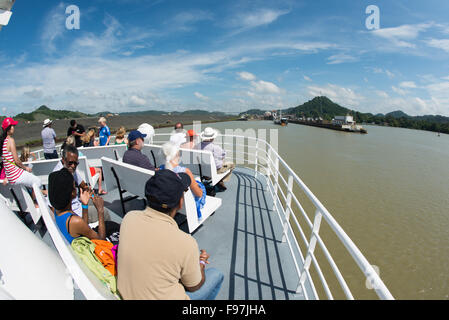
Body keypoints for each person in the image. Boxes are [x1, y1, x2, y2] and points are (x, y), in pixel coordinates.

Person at [117, 169, 224, 300]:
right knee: (216, 274)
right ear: (180, 203)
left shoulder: (129, 218)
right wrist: (201, 262)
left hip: (127, 295)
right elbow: (194, 286)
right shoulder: (185, 242)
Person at [53, 144, 111, 223]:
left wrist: (93, 195)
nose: (73, 166)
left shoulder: (69, 168)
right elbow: (55, 206)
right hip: (76, 213)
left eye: (76, 163)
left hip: (78, 203)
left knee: (99, 201)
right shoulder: (58, 176)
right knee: (105, 212)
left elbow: (83, 184)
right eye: (70, 163)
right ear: (63, 160)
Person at [48, 168, 107, 244]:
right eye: (74, 186)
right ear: (72, 193)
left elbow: (82, 228)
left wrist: (84, 205)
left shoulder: (57, 210)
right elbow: (102, 240)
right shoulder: (75, 221)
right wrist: (100, 210)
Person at [1, 117, 42, 189]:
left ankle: (33, 199)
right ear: (8, 128)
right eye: (12, 126)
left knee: (31, 184)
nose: (14, 128)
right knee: (38, 182)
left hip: (11, 177)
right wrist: (25, 168)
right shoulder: (10, 140)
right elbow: (17, 161)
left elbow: (6, 163)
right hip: (16, 175)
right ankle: (35, 199)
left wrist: (7, 177)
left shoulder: (3, 142)